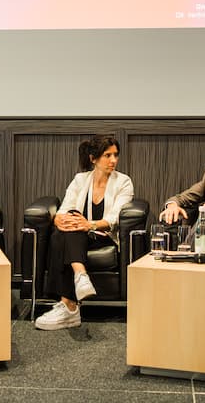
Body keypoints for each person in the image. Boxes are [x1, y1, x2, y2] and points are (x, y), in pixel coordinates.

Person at [34, 135, 134, 330]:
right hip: (79, 235)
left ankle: (69, 306)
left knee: (67, 232)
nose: (113, 160)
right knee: (68, 226)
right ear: (93, 158)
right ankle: (79, 280)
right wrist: (58, 219)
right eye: (107, 155)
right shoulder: (80, 180)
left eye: (115, 155)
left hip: (103, 236)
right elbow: (65, 207)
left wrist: (90, 225)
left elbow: (114, 218)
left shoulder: (123, 182)